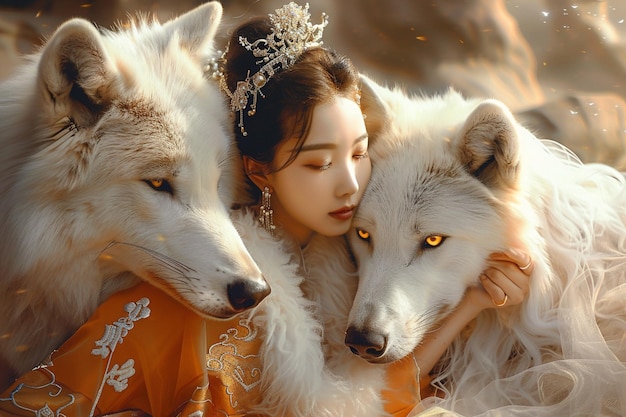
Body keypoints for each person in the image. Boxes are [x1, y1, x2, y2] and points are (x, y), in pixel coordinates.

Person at [0, 3, 532, 417]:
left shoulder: (351, 260)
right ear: (257, 171)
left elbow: (373, 399)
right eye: (318, 164)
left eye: (359, 152)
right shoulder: (173, 307)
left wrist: (473, 303)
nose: (352, 186)